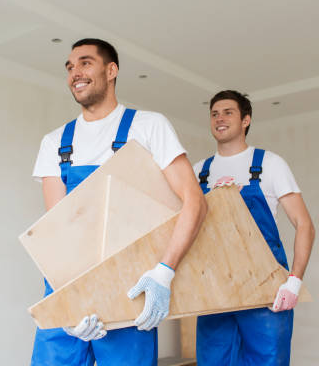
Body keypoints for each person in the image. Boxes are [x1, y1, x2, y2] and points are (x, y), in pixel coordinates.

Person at [31, 38, 207, 365]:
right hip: (67, 287)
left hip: (129, 287)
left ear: (111, 70)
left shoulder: (148, 127)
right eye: (69, 67)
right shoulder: (54, 143)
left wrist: (164, 273)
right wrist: (70, 305)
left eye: (85, 62)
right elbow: (56, 232)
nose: (74, 72)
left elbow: (195, 203)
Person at [193, 90, 315, 366]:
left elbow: (304, 224)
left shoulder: (269, 164)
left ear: (246, 120)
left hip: (265, 290)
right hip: (215, 292)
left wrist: (294, 281)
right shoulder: (200, 172)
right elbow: (183, 227)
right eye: (214, 114)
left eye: (228, 112)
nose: (219, 119)